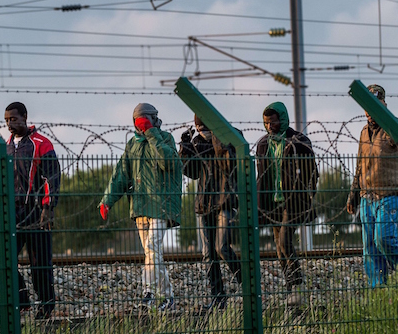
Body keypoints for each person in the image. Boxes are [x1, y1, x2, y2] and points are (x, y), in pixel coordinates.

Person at [99, 103, 182, 311]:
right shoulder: (132, 145)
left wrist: (152, 135)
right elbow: (121, 174)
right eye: (139, 120)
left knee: (153, 248)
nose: (143, 123)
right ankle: (169, 297)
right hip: (140, 206)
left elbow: (168, 162)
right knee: (151, 253)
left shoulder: (165, 139)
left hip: (161, 205)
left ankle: (149, 294)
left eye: (147, 119)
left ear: (155, 119)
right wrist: (107, 201)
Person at [345, 85, 398, 287]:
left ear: (383, 104)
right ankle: (379, 287)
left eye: (374, 106)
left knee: (384, 239)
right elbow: (359, 166)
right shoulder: (364, 132)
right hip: (367, 195)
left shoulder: (394, 126)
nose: (369, 111)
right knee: (370, 247)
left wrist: (384, 115)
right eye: (367, 107)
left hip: (389, 192)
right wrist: (353, 196)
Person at [256, 102, 318, 307]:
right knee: (279, 246)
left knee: (284, 241)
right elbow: (261, 175)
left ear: (282, 119)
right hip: (273, 202)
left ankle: (296, 284)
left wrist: (308, 195)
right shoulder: (263, 144)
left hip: (294, 200)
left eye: (273, 122)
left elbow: (312, 172)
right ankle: (291, 287)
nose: (269, 126)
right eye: (266, 123)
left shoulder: (299, 141)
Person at [179, 115, 243, 311]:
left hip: (225, 201)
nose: (201, 132)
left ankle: (247, 284)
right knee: (208, 254)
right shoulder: (197, 143)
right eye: (198, 128)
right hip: (204, 203)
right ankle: (218, 299)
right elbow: (191, 171)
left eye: (204, 128)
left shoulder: (230, 137)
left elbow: (230, 163)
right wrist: (185, 148)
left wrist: (216, 137)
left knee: (222, 248)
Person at [4, 102, 60, 319]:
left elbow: (52, 176)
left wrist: (48, 207)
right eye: (7, 119)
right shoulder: (6, 146)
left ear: (25, 117)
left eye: (14, 119)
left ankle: (46, 308)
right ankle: (22, 299)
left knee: (40, 264)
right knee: (7, 258)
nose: (10, 123)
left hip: (37, 212)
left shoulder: (41, 143)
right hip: (14, 212)